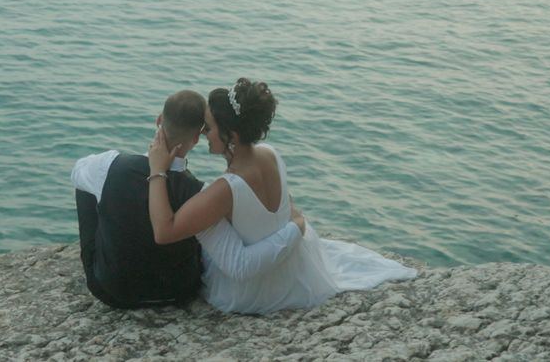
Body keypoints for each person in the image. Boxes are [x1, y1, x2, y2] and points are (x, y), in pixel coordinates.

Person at [146, 78, 416, 313]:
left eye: (209, 127)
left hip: (247, 293)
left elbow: (164, 231)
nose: (203, 133)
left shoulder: (225, 189)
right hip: (289, 274)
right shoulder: (271, 154)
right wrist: (297, 225)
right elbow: (285, 208)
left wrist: (157, 170)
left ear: (232, 135)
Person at [71, 89, 305, 308]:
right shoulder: (201, 192)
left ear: (159, 120)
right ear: (195, 139)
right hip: (178, 291)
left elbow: (77, 173)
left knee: (88, 183)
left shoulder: (109, 164)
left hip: (110, 291)